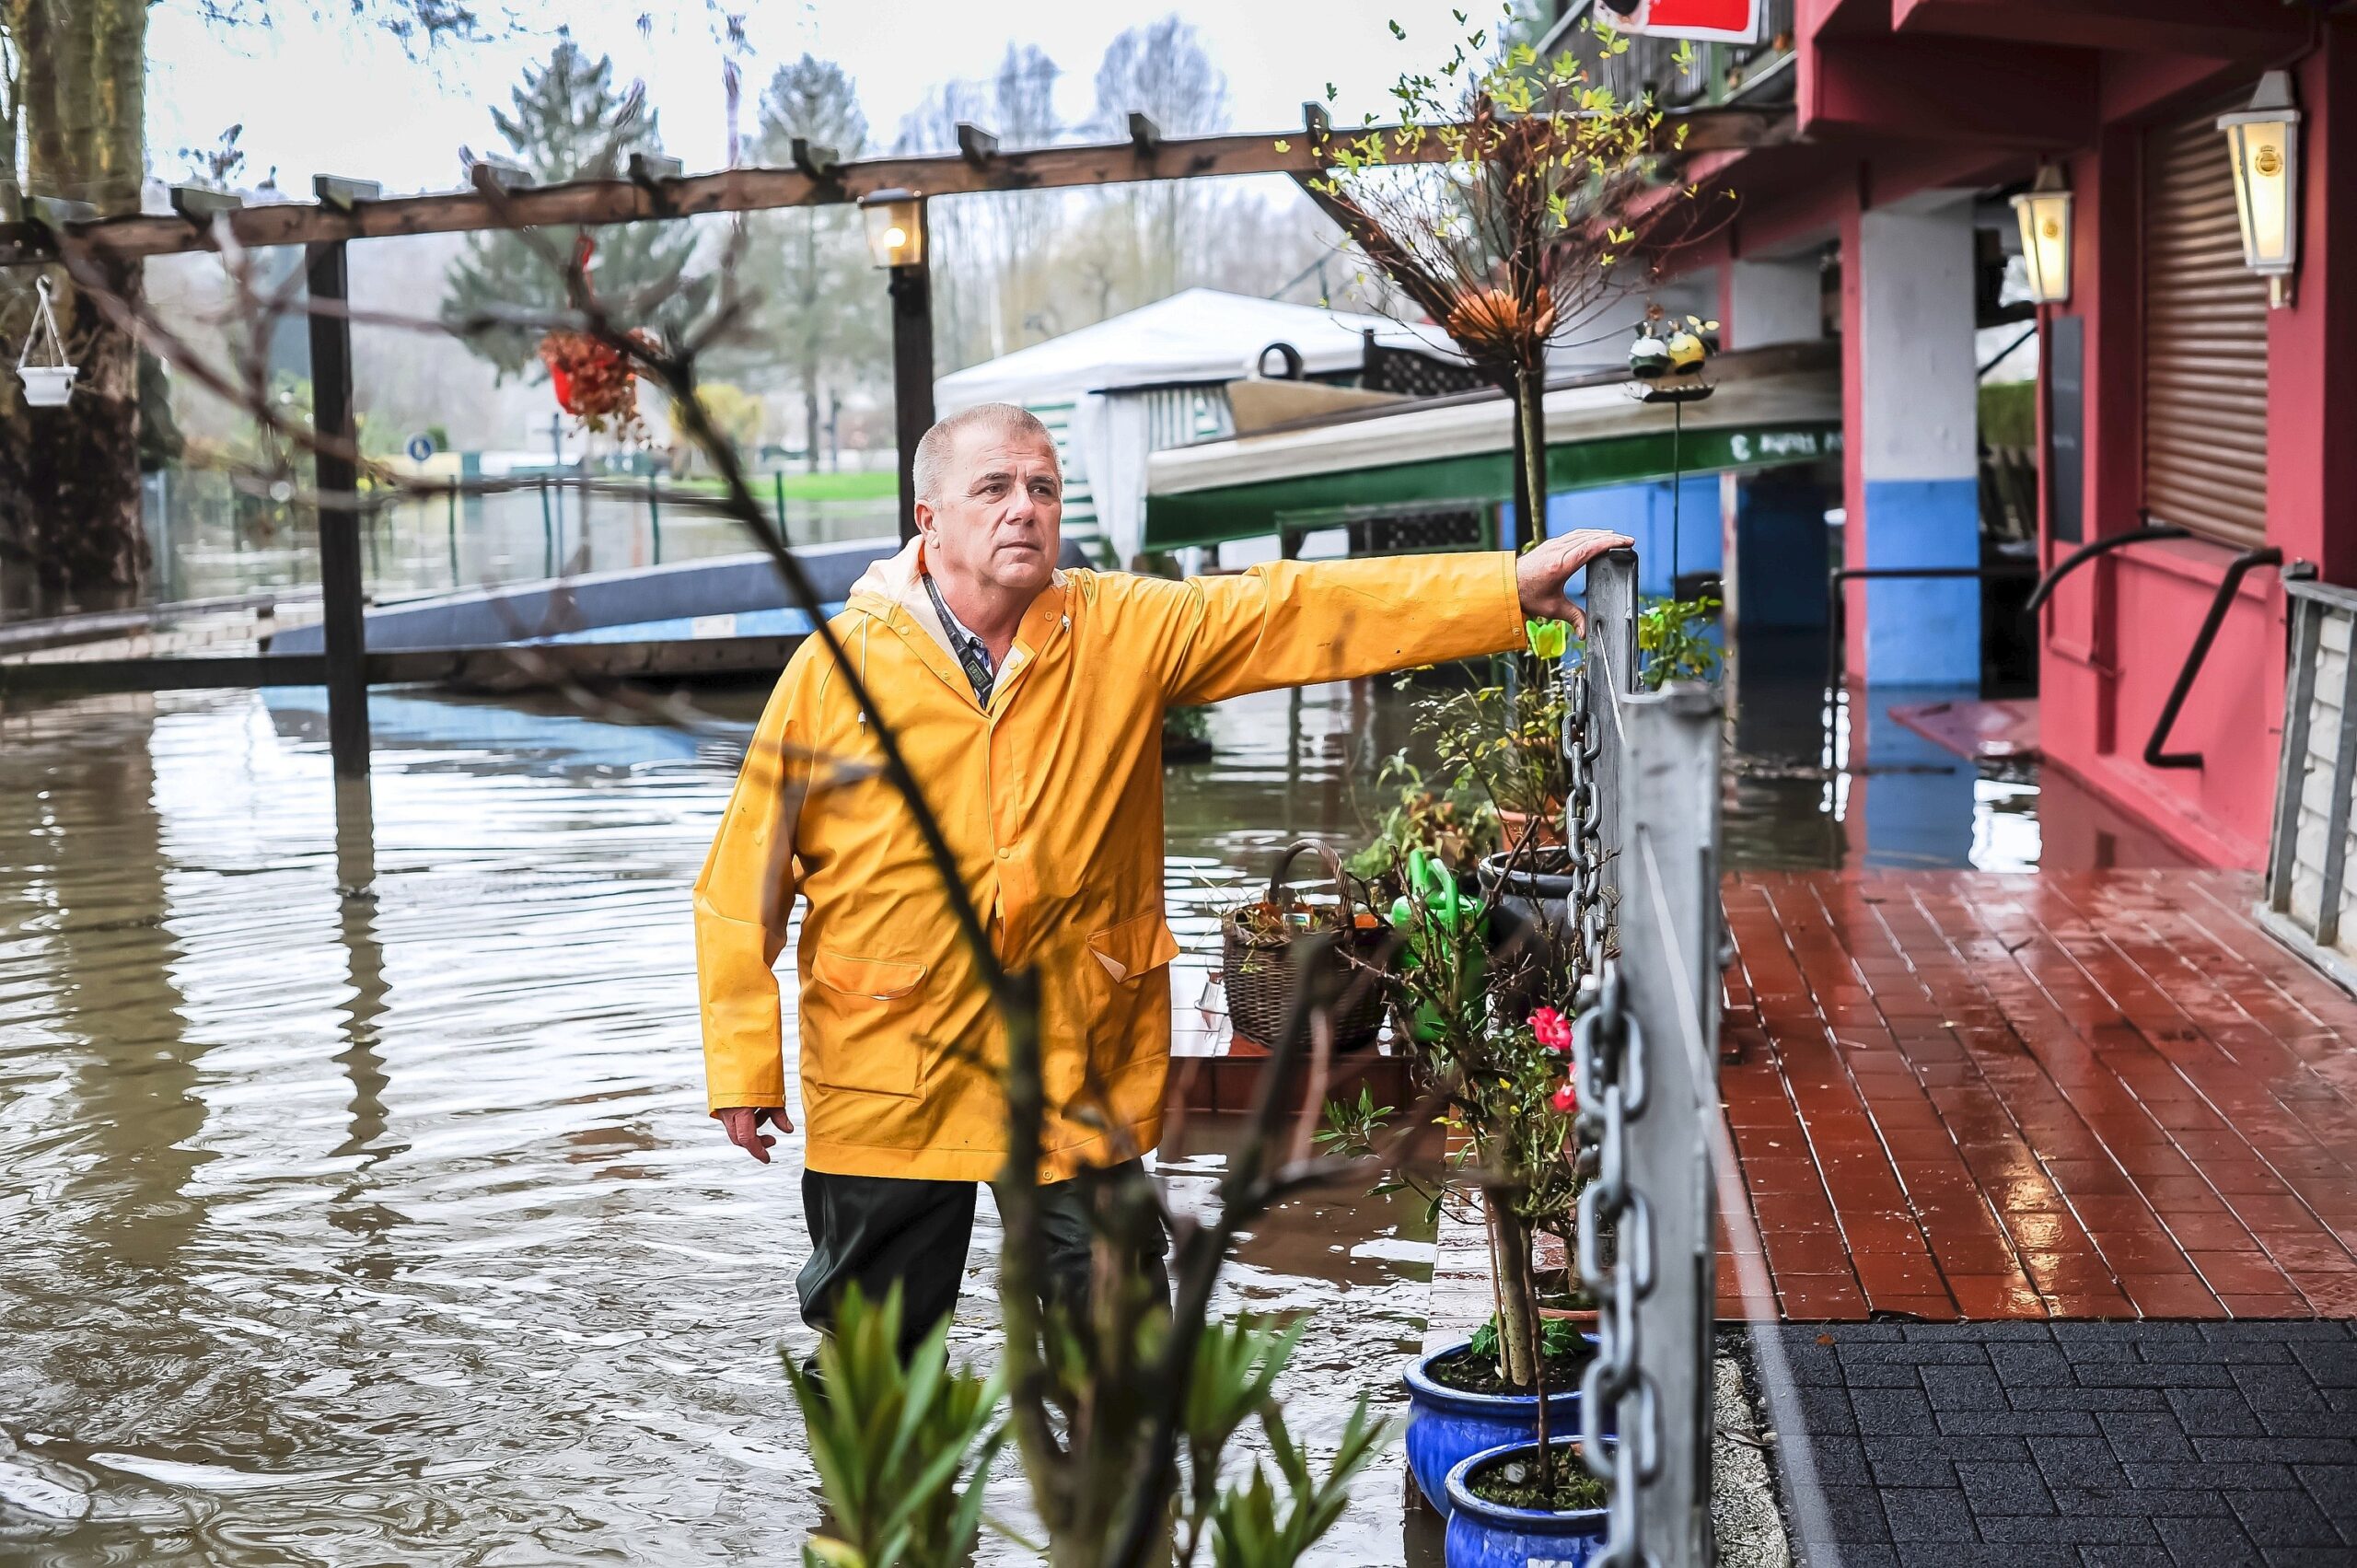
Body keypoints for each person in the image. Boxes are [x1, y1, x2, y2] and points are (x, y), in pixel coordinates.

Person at [694, 401, 1631, 1357]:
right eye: (994, 488)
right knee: (873, 1371)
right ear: (928, 518)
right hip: (889, 1064)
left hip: (1070, 1059)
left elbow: (1287, 611)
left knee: (1118, 1355)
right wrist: (742, 1066)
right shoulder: (833, 670)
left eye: (1043, 487)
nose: (1025, 508)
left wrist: (1499, 590)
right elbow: (741, 883)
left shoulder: (1118, 629)